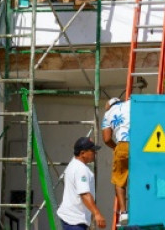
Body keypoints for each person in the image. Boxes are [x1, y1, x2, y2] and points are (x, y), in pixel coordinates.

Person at [58, 137, 106, 230]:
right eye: (92, 151)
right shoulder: (81, 169)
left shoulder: (74, 164)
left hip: (71, 220)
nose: (95, 153)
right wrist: (97, 214)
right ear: (82, 153)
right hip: (74, 221)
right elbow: (84, 194)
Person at [102, 97, 131, 225]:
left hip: (123, 144)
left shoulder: (108, 114)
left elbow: (107, 139)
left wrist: (116, 148)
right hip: (142, 144)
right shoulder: (130, 103)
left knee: (120, 179)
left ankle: (124, 212)